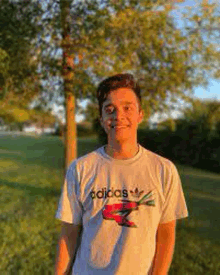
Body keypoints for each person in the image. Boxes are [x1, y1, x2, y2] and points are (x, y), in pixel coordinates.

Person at [55, 73, 188, 275]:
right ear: (101, 119)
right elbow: (69, 233)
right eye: (110, 110)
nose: (119, 116)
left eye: (127, 108)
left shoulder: (164, 169)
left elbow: (166, 235)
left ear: (140, 115)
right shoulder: (80, 168)